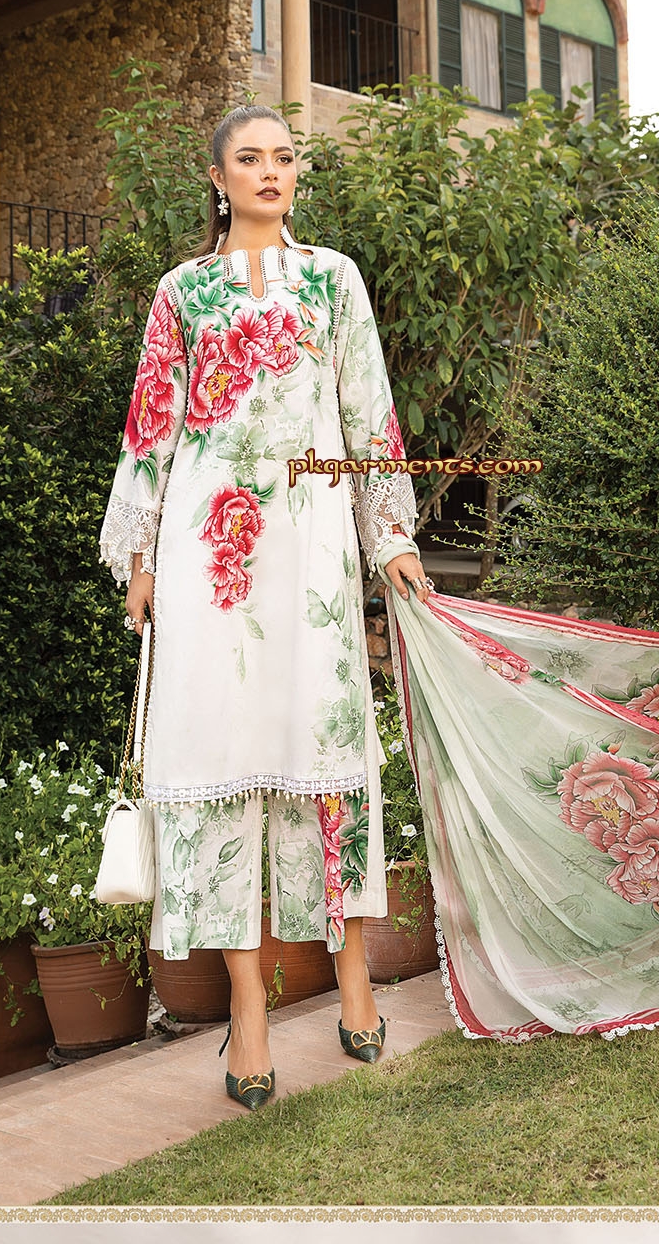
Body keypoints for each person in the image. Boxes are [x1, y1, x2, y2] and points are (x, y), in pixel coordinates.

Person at [98, 102, 433, 1110]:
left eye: (284, 157)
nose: (270, 172)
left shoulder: (334, 279)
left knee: (327, 745)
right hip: (208, 554)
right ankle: (247, 1008)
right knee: (219, 751)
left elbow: (367, 412)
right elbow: (153, 427)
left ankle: (353, 973)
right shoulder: (182, 292)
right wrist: (142, 556)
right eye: (250, 158)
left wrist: (391, 535)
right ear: (218, 178)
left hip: (312, 544)